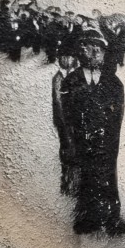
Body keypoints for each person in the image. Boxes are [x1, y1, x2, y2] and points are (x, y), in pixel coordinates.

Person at [64, 31, 125, 235]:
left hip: (107, 139)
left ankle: (112, 218)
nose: (94, 54)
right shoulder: (71, 81)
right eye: (89, 49)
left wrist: (110, 137)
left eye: (99, 50)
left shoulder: (114, 83)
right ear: (81, 52)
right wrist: (73, 139)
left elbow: (118, 114)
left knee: (108, 175)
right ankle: (87, 218)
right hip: (81, 138)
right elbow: (67, 114)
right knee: (86, 176)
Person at [51, 36, 82, 196]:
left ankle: (76, 183)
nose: (67, 60)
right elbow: (58, 103)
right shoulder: (58, 78)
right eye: (64, 57)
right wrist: (64, 122)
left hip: (78, 122)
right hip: (64, 122)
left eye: (70, 57)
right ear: (60, 59)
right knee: (67, 151)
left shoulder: (77, 76)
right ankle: (68, 184)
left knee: (79, 151)